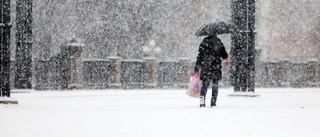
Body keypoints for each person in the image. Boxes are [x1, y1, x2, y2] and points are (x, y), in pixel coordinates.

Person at [194, 34, 228, 107]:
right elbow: (224, 55)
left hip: (206, 66)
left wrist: (197, 67)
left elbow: (200, 56)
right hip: (216, 66)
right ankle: (213, 101)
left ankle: (202, 99)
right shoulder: (219, 42)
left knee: (205, 84)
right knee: (215, 84)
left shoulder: (204, 43)